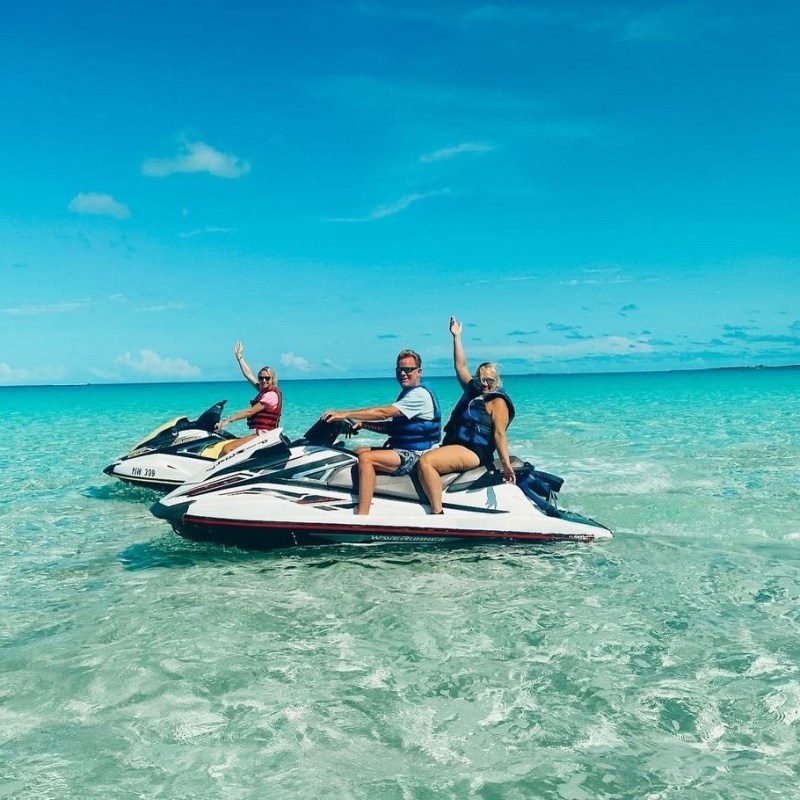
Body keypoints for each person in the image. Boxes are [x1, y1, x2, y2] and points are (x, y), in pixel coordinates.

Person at [321, 349, 441, 515]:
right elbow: (393, 428)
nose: (403, 374)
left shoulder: (419, 395)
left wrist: (345, 413)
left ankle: (362, 514)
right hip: (405, 448)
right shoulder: (407, 393)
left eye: (408, 370)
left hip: (417, 454)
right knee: (356, 452)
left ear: (418, 371)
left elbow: (383, 413)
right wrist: (363, 424)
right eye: (399, 370)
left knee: (366, 458)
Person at [417, 317, 516, 514]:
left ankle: (437, 513)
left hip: (474, 452)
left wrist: (506, 465)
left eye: (489, 380)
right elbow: (461, 367)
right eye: (481, 380)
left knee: (426, 462)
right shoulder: (474, 390)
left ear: (497, 381)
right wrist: (457, 336)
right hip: (456, 445)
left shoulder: (498, 402)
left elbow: (499, 435)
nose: (485, 384)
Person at [215, 342, 282, 456]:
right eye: (261, 378)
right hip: (264, 435)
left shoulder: (270, 395)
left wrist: (227, 421)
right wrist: (239, 357)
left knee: (227, 449)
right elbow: (248, 375)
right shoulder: (265, 391)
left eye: (267, 378)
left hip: (264, 436)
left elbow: (249, 412)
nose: (263, 381)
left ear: (272, 379)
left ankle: (230, 473)